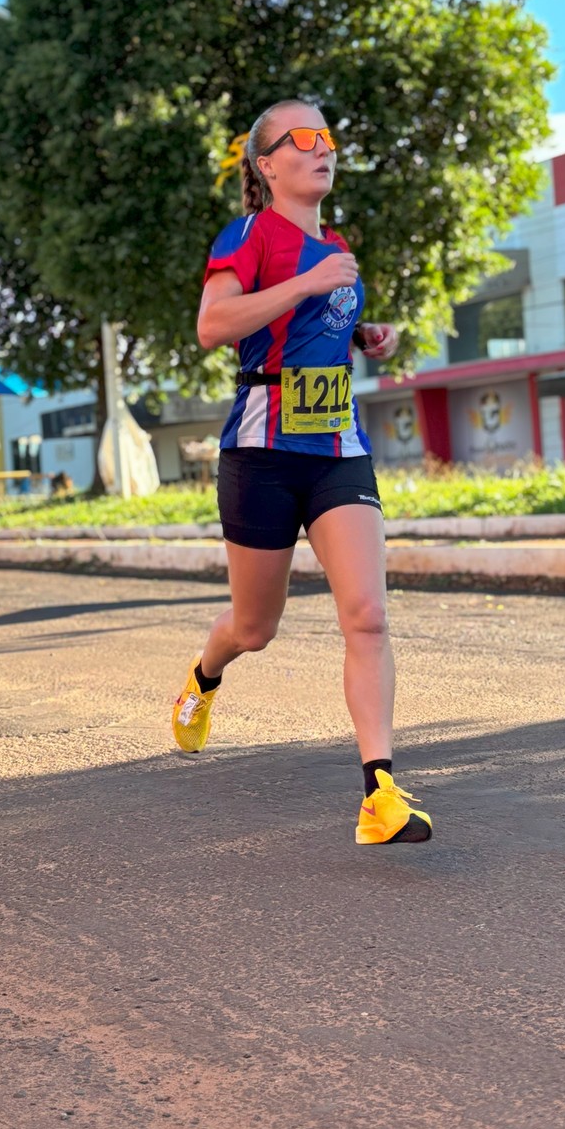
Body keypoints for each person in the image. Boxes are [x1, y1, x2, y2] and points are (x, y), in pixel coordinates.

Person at [170, 99, 431, 846]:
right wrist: (307, 287)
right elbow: (214, 326)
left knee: (368, 615)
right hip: (261, 449)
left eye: (327, 138)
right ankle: (204, 675)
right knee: (255, 627)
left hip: (337, 448)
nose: (323, 149)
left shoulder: (338, 246)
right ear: (266, 164)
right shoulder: (248, 236)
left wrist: (366, 335)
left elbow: (318, 335)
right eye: (303, 139)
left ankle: (377, 792)